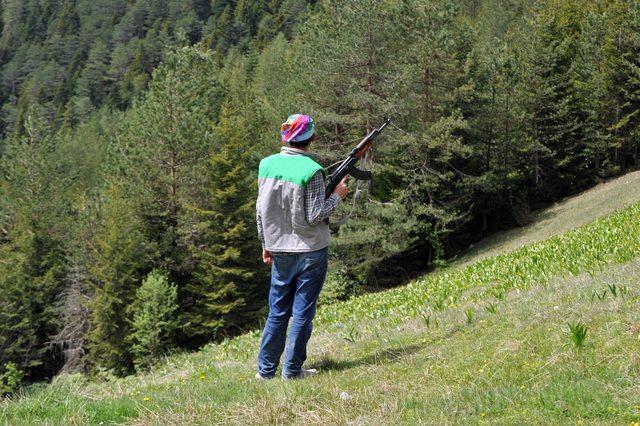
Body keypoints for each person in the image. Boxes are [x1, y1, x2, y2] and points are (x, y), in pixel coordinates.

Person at [255, 113, 349, 379]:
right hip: (310, 250)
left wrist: (265, 243)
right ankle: (292, 371)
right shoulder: (313, 170)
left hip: (278, 248)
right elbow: (315, 215)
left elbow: (260, 211)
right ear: (311, 138)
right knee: (302, 313)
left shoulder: (266, 165)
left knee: (277, 312)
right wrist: (338, 196)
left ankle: (265, 372)